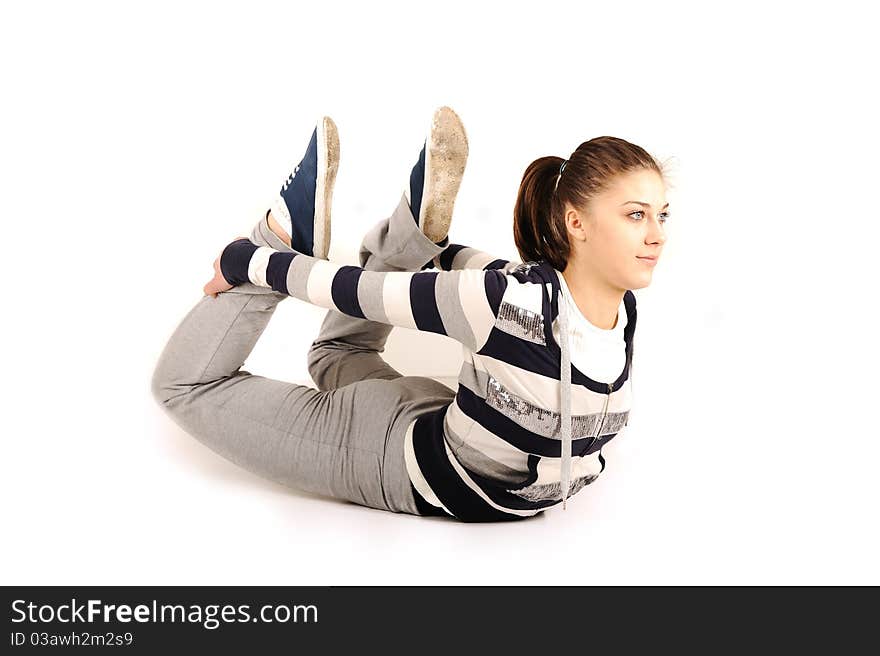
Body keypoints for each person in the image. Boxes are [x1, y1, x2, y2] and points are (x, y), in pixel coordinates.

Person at [151, 106, 669, 523]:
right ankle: (282, 233)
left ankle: (408, 234)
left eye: (661, 215)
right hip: (395, 454)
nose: (657, 236)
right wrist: (252, 259)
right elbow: (357, 292)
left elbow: (495, 275)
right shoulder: (504, 301)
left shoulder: (618, 310)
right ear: (576, 223)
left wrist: (433, 247)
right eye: (635, 214)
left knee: (337, 354)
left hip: (439, 428)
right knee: (182, 385)